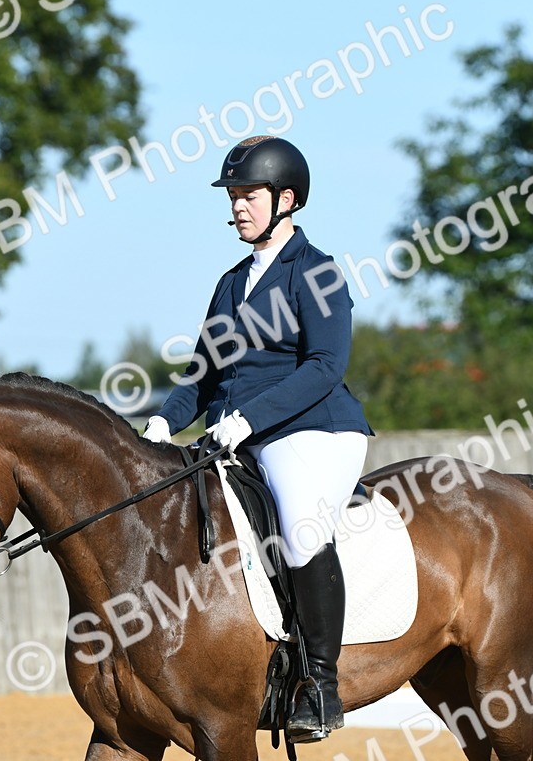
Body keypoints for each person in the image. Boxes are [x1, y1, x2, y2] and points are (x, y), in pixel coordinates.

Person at [143, 135, 373, 742]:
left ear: (286, 200)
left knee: (300, 527)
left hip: (312, 429)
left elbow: (325, 366)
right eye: (234, 197)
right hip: (235, 437)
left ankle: (320, 684)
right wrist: (163, 424)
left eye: (249, 195)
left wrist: (249, 418)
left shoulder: (316, 272)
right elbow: (203, 374)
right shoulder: (231, 282)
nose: (238, 206)